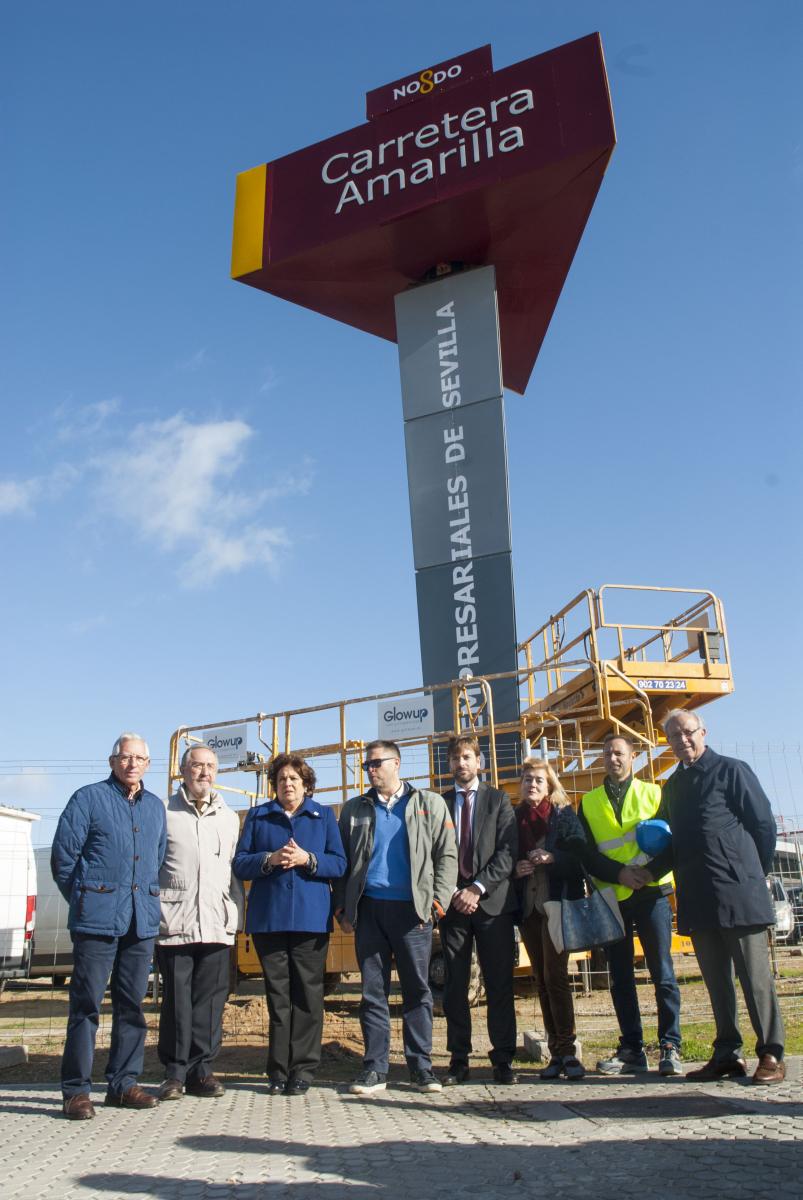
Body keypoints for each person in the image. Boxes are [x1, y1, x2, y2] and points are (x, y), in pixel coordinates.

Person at [643, 710, 785, 1084]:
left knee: (755, 980)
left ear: (703, 731)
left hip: (739, 893)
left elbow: (763, 826)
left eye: (687, 732)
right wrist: (645, 873)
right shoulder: (672, 788)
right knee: (716, 982)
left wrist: (753, 874)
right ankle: (726, 1054)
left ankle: (771, 1052)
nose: (682, 741)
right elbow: (668, 844)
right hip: (699, 897)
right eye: (673, 736)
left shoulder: (732, 771)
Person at [51, 733, 166, 1120]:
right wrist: (88, 899)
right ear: (112, 760)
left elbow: (158, 857)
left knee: (131, 1004)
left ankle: (122, 1083)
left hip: (141, 920)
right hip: (96, 921)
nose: (132, 764)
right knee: (85, 1006)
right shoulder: (87, 799)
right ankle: (76, 1091)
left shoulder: (155, 807)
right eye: (125, 757)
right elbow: (63, 860)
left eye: (140, 758)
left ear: (148, 765)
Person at [333, 740, 457, 1096]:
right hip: (369, 910)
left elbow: (446, 856)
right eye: (366, 765)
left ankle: (421, 1068)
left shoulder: (428, 804)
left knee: (418, 991)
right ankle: (375, 1070)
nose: (371, 770)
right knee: (373, 992)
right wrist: (342, 908)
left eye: (376, 763)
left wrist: (437, 904)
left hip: (413, 911)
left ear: (397, 764)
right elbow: (342, 863)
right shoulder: (355, 809)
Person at [233, 753, 346, 1095]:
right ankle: (278, 1071)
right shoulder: (258, 816)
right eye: (281, 780)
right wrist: (269, 859)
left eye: (294, 779)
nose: (287, 785)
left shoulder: (323, 816)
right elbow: (240, 863)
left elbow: (339, 863)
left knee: (308, 996)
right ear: (275, 785)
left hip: (310, 921)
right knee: (278, 996)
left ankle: (304, 1070)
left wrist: (307, 859)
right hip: (270, 919)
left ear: (306, 784)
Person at [573, 732, 683, 1076]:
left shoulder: (654, 793)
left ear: (633, 757)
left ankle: (670, 1045)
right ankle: (632, 1048)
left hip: (651, 893)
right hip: (613, 895)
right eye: (607, 753)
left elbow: (671, 842)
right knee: (620, 976)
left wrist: (647, 873)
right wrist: (620, 874)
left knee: (662, 971)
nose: (613, 758)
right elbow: (587, 854)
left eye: (619, 753)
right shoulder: (589, 802)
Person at [156, 745, 244, 1101]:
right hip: (175, 922)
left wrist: (234, 914)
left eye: (210, 766)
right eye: (197, 766)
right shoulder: (163, 812)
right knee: (177, 1001)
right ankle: (175, 1073)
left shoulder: (229, 817)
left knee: (210, 1001)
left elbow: (233, 872)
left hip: (215, 923)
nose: (204, 772)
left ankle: (202, 1070)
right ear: (183, 771)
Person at [439, 734, 518, 1085]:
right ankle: (458, 1059)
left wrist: (477, 888)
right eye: (455, 758)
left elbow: (506, 852)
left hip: (492, 906)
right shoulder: (438, 804)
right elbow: (434, 853)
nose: (461, 764)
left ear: (479, 762)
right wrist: (455, 891)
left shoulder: (498, 800)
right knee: (455, 985)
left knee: (499, 982)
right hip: (453, 907)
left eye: (467, 757)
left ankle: (503, 1059)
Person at [514, 758, 587, 1081]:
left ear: (550, 786)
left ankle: (568, 1051)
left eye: (539, 781)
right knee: (541, 980)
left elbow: (581, 857)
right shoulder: (514, 819)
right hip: (528, 908)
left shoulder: (563, 816)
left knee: (555, 976)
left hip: (557, 905)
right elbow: (504, 856)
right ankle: (554, 1053)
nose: (533, 785)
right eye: (528, 779)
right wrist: (517, 868)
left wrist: (553, 857)